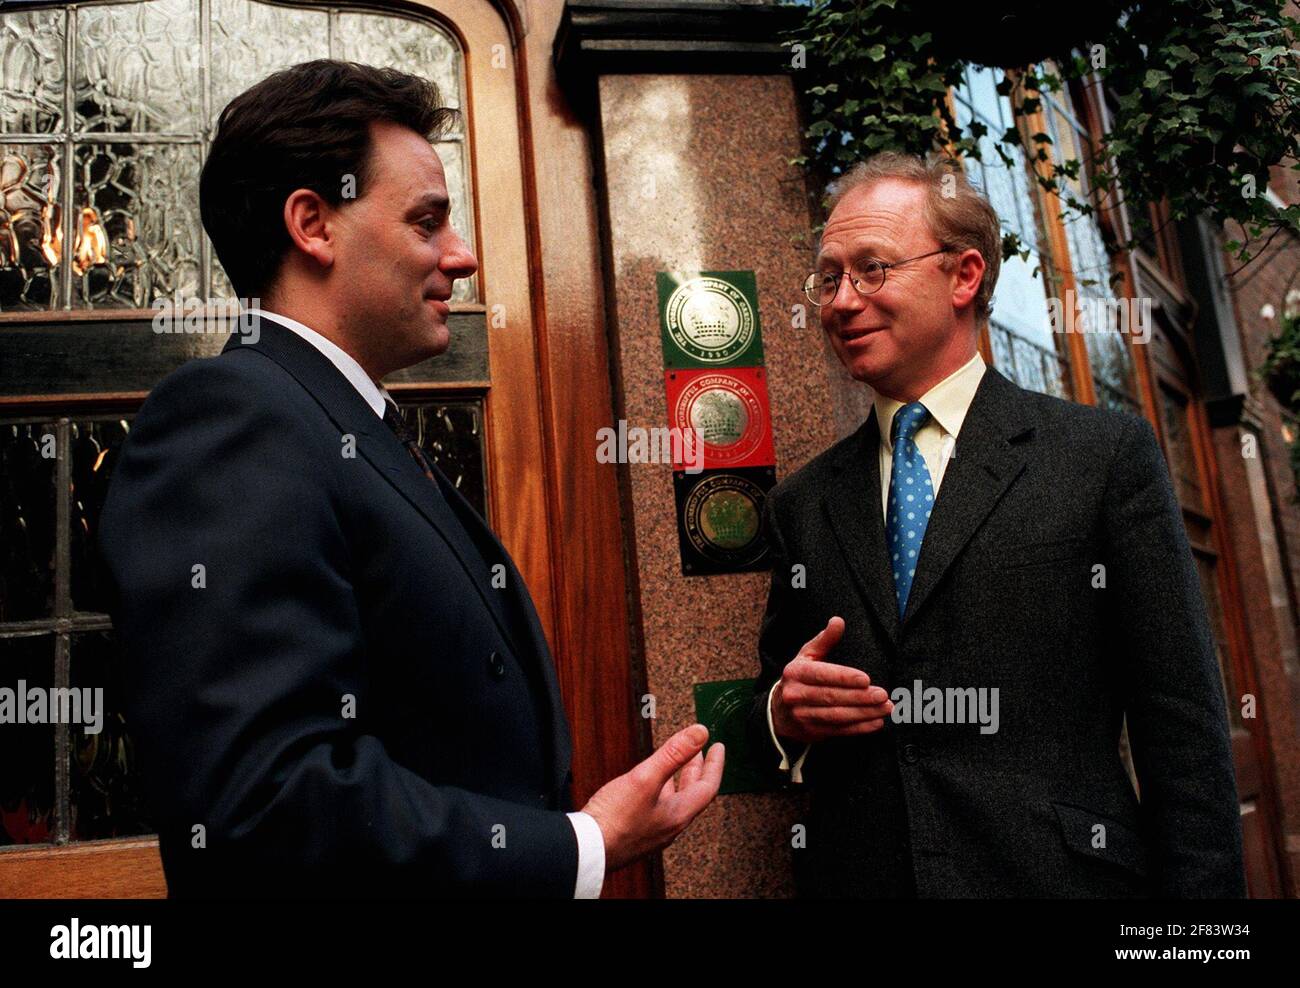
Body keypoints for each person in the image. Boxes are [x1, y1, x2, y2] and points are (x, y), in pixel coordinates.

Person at [99, 59, 722, 898]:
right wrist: (581, 846)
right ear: (313, 225)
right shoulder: (232, 418)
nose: (461, 257)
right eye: (427, 221)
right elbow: (267, 802)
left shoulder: (341, 426)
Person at [748, 151, 1244, 898]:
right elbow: (775, 700)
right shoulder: (804, 503)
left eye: (873, 268)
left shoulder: (1100, 457)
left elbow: (1181, 728)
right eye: (828, 277)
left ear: (964, 275)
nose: (841, 301)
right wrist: (783, 717)